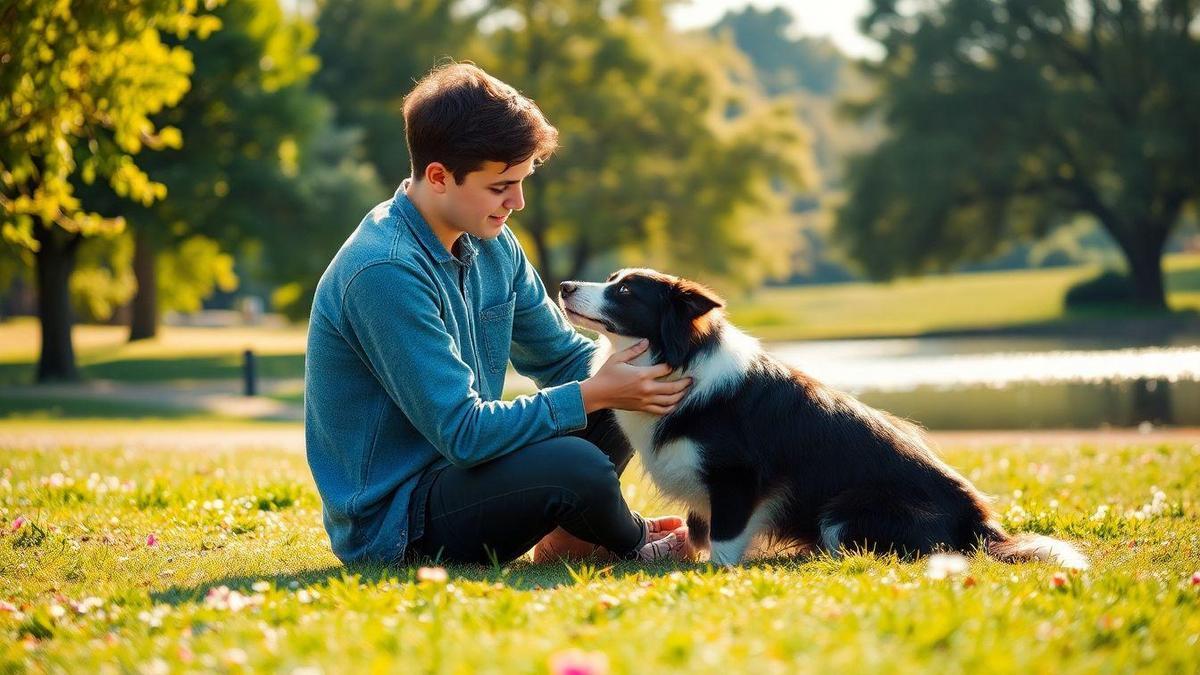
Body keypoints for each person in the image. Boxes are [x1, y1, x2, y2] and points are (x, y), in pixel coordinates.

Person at [304, 62, 693, 566]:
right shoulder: (385, 270)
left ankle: (571, 542)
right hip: (400, 521)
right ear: (440, 177)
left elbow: (563, 356)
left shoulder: (492, 243)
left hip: (471, 471)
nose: (518, 201)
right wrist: (594, 393)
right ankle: (633, 543)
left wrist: (675, 379)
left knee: (628, 393)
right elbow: (464, 432)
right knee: (579, 460)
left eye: (522, 181)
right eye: (500, 186)